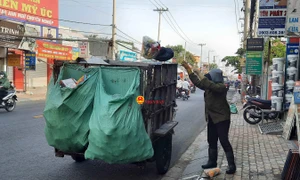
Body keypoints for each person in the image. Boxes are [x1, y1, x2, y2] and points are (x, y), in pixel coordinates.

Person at [181, 61, 236, 174]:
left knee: (224, 140)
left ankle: (232, 165)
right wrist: (189, 70)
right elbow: (198, 82)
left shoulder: (221, 87)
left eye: (210, 76)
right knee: (211, 140)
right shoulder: (209, 87)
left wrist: (200, 73)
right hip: (211, 117)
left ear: (215, 77)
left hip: (222, 118)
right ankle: (212, 162)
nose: (208, 79)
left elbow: (208, 84)